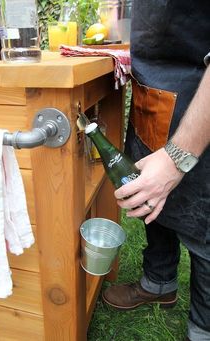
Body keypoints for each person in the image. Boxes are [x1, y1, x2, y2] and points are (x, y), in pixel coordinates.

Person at [102, 2, 210, 341]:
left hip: (201, 103)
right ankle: (158, 283)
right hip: (154, 94)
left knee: (203, 224)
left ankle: (202, 327)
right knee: (152, 201)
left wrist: (179, 156)